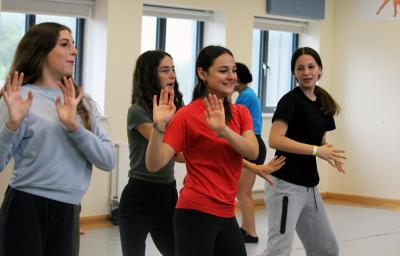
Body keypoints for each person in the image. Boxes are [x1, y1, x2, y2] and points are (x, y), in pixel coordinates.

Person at [145, 45, 285, 256]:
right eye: (223, 71)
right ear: (202, 73)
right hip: (195, 213)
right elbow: (154, 164)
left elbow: (253, 152)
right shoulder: (187, 115)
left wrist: (223, 130)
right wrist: (159, 127)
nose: (231, 77)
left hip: (227, 213)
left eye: (233, 70)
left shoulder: (240, 112)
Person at [0, 22, 116, 256]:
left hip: (68, 209)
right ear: (41, 51)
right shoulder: (18, 97)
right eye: (65, 44)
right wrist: (11, 125)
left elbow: (108, 160)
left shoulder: (81, 102)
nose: (74, 50)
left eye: (74, 45)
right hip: (25, 206)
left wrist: (74, 126)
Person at [262, 47, 346, 256]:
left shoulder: (323, 102)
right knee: (278, 250)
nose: (306, 72)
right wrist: (317, 151)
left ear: (320, 70)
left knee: (327, 249)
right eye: (300, 68)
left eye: (311, 67)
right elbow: (275, 139)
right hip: (285, 185)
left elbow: (319, 139)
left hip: (310, 187)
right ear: (294, 73)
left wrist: (329, 153)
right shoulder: (290, 101)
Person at [118, 50, 184, 256]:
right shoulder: (138, 111)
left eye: (173, 69)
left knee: (176, 251)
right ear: (150, 75)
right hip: (140, 194)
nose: (172, 74)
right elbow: (172, 149)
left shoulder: (178, 109)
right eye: (165, 70)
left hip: (167, 193)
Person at [235, 62, 267, 243]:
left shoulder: (244, 97)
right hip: (252, 143)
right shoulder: (247, 94)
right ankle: (246, 229)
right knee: (243, 192)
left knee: (243, 192)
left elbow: (237, 124)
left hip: (251, 143)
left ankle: (251, 232)